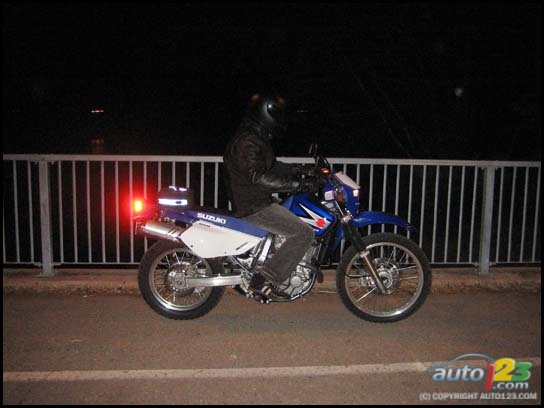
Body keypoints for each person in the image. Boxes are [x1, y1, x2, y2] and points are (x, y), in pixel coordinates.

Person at [223, 93, 318, 297]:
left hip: (259, 200)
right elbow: (258, 177)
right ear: (267, 114)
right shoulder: (247, 142)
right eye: (279, 115)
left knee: (293, 210)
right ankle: (265, 278)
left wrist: (299, 169)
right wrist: (298, 185)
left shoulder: (255, 137)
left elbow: (271, 166)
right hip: (253, 207)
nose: (281, 120)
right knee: (304, 234)